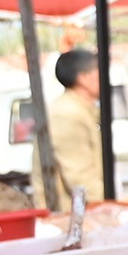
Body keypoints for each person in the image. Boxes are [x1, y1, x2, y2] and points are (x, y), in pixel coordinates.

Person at [46, 47, 105, 205]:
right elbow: (80, 180)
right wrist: (118, 204)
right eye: (99, 72)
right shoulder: (66, 114)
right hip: (73, 220)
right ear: (83, 78)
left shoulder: (82, 110)